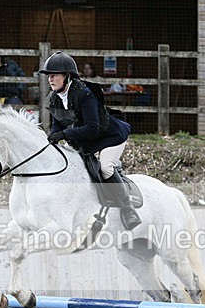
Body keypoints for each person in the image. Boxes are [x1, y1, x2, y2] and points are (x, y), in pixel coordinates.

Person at [39, 51, 141, 231]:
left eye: (54, 75)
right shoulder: (55, 97)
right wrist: (53, 138)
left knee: (105, 167)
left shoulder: (84, 94)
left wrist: (64, 135)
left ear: (67, 76)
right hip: (87, 142)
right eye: (49, 75)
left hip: (111, 137)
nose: (50, 79)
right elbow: (57, 123)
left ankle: (128, 209)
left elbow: (93, 127)